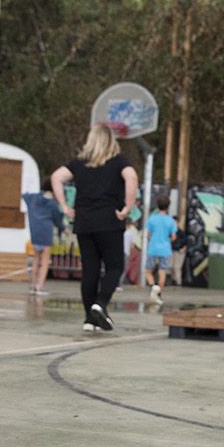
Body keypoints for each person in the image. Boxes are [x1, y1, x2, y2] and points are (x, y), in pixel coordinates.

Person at [52, 124, 138, 332]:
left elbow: (56, 177)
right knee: (114, 266)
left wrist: (64, 206)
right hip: (109, 220)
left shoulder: (80, 163)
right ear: (111, 141)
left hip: (84, 222)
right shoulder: (118, 162)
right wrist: (127, 206)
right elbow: (132, 177)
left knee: (90, 270)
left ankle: (89, 319)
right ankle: (100, 303)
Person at [22, 176, 66, 297]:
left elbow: (24, 195)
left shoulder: (33, 198)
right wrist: (62, 229)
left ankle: (32, 286)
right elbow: (58, 219)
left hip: (34, 232)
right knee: (45, 261)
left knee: (36, 259)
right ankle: (40, 287)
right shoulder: (52, 204)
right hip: (46, 232)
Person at [144, 192, 178, 304]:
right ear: (168, 206)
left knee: (148, 271)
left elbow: (148, 235)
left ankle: (153, 286)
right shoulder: (171, 221)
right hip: (165, 249)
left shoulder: (152, 219)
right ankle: (158, 295)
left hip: (153, 248)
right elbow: (173, 237)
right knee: (162, 272)